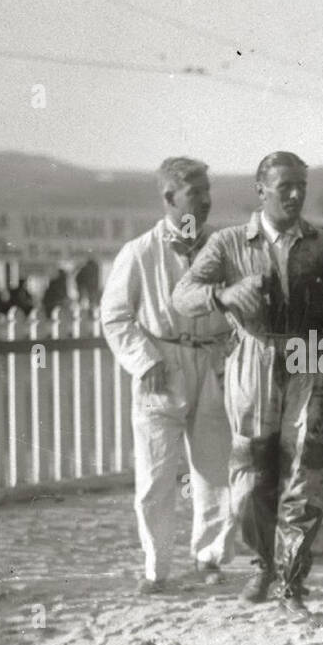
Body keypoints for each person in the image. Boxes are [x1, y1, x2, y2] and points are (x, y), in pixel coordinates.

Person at [173, 151, 323, 619]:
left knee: (305, 474)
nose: (295, 195)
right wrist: (223, 294)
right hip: (253, 358)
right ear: (261, 191)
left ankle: (292, 580)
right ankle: (264, 563)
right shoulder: (229, 243)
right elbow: (182, 296)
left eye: (301, 186)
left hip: (308, 357)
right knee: (251, 478)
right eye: (284, 187)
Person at [99, 157, 236, 594]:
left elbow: (241, 307)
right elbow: (114, 316)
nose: (206, 201)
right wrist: (145, 361)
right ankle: (156, 568)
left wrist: (230, 356)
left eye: (208, 191)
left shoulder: (224, 249)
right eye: (196, 193)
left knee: (214, 470)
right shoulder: (140, 252)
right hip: (162, 368)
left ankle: (209, 557)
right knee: (156, 476)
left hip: (211, 365)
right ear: (169, 197)